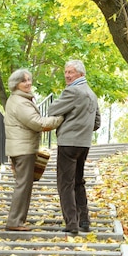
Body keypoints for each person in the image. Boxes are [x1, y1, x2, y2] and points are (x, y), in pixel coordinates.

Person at [4, 68, 63, 232]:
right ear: (16, 84)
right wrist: (60, 119)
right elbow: (38, 123)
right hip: (23, 149)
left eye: (29, 80)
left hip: (21, 147)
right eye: (24, 81)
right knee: (23, 185)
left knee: (24, 184)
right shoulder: (20, 102)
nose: (28, 83)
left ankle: (17, 220)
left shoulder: (20, 99)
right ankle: (15, 221)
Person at [48, 59, 101, 236]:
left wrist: (72, 125)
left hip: (68, 143)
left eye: (70, 72)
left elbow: (53, 109)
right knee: (78, 181)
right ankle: (84, 220)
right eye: (66, 72)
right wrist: (83, 128)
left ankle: (71, 223)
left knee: (65, 184)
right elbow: (97, 122)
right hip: (84, 144)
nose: (67, 75)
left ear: (80, 74)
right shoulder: (91, 94)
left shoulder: (73, 91)